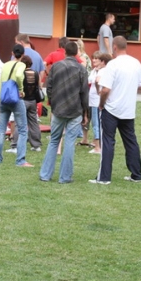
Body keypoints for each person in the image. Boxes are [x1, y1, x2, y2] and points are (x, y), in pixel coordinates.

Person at [90, 36, 141, 185]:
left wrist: (101, 104)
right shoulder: (136, 63)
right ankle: (136, 174)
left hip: (112, 108)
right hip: (128, 109)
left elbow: (105, 89)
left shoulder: (113, 65)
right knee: (131, 141)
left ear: (114, 47)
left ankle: (104, 177)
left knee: (108, 141)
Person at [40, 41, 89, 183]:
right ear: (76, 53)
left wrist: (53, 104)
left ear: (65, 52)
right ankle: (65, 177)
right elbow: (84, 93)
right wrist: (85, 112)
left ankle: (45, 174)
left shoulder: (55, 67)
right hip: (75, 110)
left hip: (58, 109)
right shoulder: (81, 69)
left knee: (54, 140)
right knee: (69, 142)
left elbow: (48, 87)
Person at [0, 44, 33, 167]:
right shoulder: (21, 65)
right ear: (23, 54)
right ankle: (20, 160)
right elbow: (20, 76)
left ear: (12, 53)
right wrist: (21, 89)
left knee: (1, 130)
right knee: (22, 130)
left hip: (4, 99)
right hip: (16, 99)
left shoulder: (5, 65)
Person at [8, 55, 43, 153]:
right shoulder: (36, 73)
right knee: (34, 122)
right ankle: (36, 145)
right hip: (33, 101)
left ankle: (15, 145)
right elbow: (39, 86)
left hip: (22, 100)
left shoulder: (20, 74)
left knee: (19, 123)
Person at [88, 51, 112, 155]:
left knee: (96, 123)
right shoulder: (99, 70)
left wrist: (98, 90)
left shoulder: (102, 71)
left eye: (98, 59)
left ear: (103, 61)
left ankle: (97, 147)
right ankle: (98, 143)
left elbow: (97, 81)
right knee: (98, 122)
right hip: (95, 99)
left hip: (95, 100)